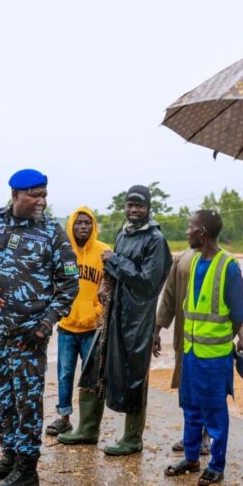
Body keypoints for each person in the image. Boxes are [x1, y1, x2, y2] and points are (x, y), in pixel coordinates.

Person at [0, 169, 78, 486]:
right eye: (35, 195)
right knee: (1, 398)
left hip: (28, 336)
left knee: (27, 402)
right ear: (15, 196)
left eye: (44, 195)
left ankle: (26, 471)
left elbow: (70, 283)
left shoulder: (52, 232)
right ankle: (9, 457)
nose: (42, 201)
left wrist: (46, 323)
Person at [58, 185, 172, 455]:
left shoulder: (155, 239)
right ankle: (88, 429)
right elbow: (111, 270)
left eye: (139, 206)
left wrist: (115, 260)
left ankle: (132, 438)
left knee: (134, 376)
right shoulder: (123, 233)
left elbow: (148, 282)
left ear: (148, 208)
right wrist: (105, 283)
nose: (134, 210)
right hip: (111, 313)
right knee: (93, 367)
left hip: (136, 320)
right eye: (130, 205)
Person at [163, 209, 243, 486]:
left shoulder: (229, 266)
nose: (187, 232)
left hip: (214, 356)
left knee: (214, 411)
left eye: (191, 227)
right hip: (191, 352)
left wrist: (222, 340)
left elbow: (238, 313)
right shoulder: (196, 261)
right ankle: (191, 458)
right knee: (190, 407)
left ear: (203, 232)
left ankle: (216, 466)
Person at [154, 246, 243, 455]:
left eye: (191, 229)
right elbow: (169, 296)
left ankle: (206, 436)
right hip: (186, 338)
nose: (188, 232)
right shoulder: (181, 260)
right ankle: (191, 438)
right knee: (188, 391)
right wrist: (156, 329)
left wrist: (242, 335)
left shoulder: (225, 262)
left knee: (212, 391)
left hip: (213, 344)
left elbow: (239, 301)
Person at [45, 207, 108, 437]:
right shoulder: (62, 250)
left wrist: (98, 312)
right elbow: (52, 283)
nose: (83, 226)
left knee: (90, 376)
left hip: (93, 328)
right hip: (66, 326)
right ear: (71, 225)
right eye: (79, 222)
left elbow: (108, 286)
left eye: (87, 222)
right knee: (65, 374)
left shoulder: (103, 252)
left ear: (94, 226)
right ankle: (64, 417)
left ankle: (87, 422)